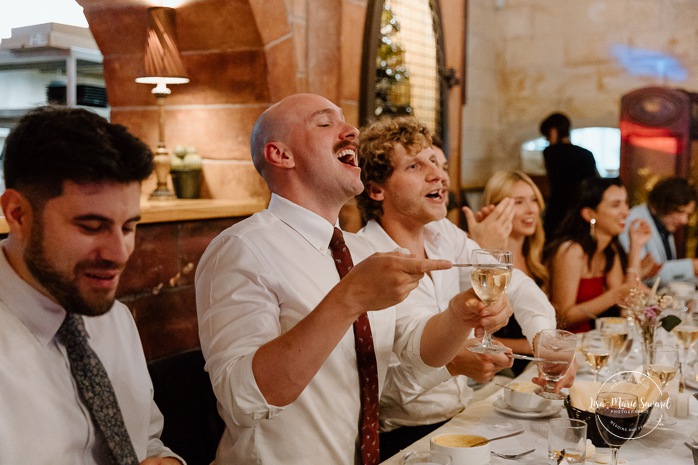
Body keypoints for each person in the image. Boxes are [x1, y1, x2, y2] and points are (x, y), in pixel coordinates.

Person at [194, 94, 512, 465]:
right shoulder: (242, 248)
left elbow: (414, 354)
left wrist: (460, 316)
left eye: (346, 121)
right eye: (325, 122)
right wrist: (349, 299)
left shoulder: (358, 252)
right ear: (281, 155)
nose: (352, 132)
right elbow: (241, 399)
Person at [355, 116, 560, 459]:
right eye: (415, 165)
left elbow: (516, 283)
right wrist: (451, 364)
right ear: (377, 189)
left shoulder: (443, 234)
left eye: (436, 163)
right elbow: (384, 389)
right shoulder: (368, 258)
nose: (438, 175)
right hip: (404, 435)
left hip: (462, 416)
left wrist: (545, 340)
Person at [0, 106, 183, 464]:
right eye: (91, 226)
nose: (119, 253)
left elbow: (145, 442)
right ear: (18, 214)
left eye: (129, 227)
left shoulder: (113, 317)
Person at [543, 177, 651, 333]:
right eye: (616, 205)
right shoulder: (571, 251)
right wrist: (615, 295)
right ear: (589, 213)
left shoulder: (609, 249)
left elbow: (627, 303)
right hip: (562, 344)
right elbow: (561, 319)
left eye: (626, 203)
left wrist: (636, 246)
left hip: (591, 339)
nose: (626, 212)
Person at [476, 170, 549, 375]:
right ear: (496, 208)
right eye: (518, 202)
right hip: (498, 371)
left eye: (534, 200)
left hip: (533, 366)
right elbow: (475, 335)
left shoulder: (536, 258)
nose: (531, 210)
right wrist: (532, 345)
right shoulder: (484, 262)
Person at [619, 176, 698, 285]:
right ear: (661, 203)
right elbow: (645, 273)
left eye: (687, 214)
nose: (684, 220)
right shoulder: (634, 221)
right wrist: (691, 266)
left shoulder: (664, 223)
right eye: (679, 212)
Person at [539, 112, 598, 239]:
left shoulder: (550, 152)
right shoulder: (587, 154)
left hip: (559, 209)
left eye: (547, 136)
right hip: (582, 210)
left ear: (553, 131)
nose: (547, 140)